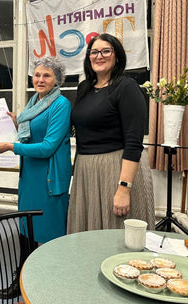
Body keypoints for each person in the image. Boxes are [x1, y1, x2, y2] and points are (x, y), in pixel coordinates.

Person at [0, 57, 72, 298]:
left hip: (49, 176)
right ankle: (23, 278)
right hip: (30, 176)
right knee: (25, 227)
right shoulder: (35, 101)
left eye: (46, 75)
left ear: (57, 79)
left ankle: (49, 282)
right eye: (37, 75)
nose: (40, 79)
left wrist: (11, 146)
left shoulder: (61, 104)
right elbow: (33, 132)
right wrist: (15, 120)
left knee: (49, 232)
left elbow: (47, 147)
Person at [67, 33, 155, 233]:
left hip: (115, 169)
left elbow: (134, 143)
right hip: (85, 170)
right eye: (94, 52)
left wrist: (124, 188)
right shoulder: (84, 88)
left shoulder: (127, 87)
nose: (99, 56)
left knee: (114, 234)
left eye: (106, 51)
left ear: (117, 56)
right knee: (86, 233)